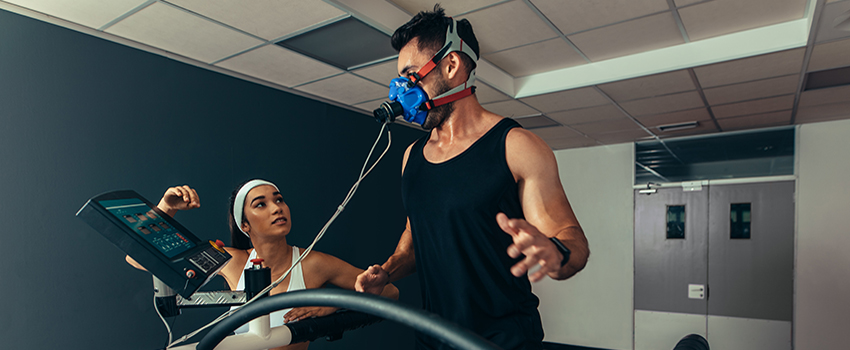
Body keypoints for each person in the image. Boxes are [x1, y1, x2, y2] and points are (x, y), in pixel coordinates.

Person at [355, 5, 590, 350]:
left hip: (503, 341)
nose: (400, 90)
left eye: (410, 74)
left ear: (451, 66)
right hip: (434, 339)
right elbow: (416, 233)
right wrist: (388, 271)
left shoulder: (515, 146)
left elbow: (573, 240)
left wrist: (555, 252)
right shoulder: (411, 157)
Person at [128, 181, 399, 350]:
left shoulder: (312, 263)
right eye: (261, 204)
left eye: (279, 199)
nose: (276, 208)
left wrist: (332, 305)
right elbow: (138, 258)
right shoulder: (231, 260)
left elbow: (390, 293)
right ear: (244, 225)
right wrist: (166, 207)